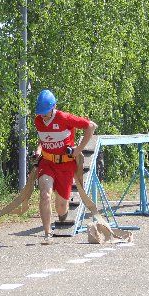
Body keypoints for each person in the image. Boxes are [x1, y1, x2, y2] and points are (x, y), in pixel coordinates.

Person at [32, 89, 97, 245]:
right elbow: (44, 138)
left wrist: (78, 150)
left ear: (53, 107)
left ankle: (63, 213)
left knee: (61, 207)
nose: (43, 116)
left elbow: (91, 126)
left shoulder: (64, 118)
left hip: (65, 165)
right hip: (47, 163)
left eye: (45, 112)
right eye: (40, 112)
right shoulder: (38, 121)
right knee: (45, 194)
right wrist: (39, 150)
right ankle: (47, 234)